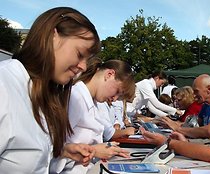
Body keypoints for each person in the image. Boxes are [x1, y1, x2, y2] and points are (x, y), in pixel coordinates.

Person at [0, 7, 102, 173]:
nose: (83, 67)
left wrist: (62, 153)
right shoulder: (3, 85)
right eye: (79, 54)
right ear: (52, 36)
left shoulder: (44, 94)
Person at [58, 58, 134, 173]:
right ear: (109, 74)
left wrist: (106, 148)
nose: (115, 99)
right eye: (117, 91)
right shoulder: (76, 98)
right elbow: (53, 153)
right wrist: (94, 151)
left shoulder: (92, 101)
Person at [161, 74, 210, 139]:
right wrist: (170, 123)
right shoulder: (205, 106)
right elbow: (192, 126)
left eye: (196, 91)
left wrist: (178, 128)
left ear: (209, 89)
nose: (193, 95)